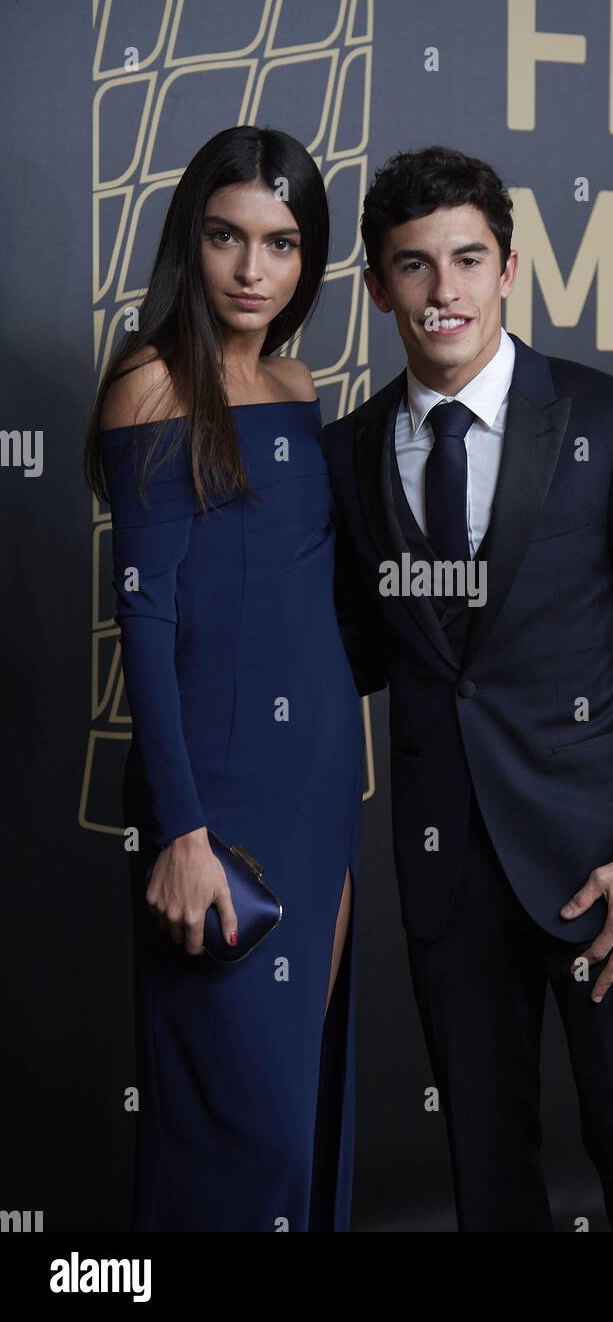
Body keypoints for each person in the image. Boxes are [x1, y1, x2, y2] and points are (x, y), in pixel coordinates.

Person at [320, 144, 613, 1232]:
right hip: (447, 867)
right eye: (413, 265)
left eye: (465, 259)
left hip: (605, 873)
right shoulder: (347, 453)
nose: (441, 291)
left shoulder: (611, 421)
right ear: (377, 287)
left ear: (507, 267)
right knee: (485, 1169)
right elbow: (357, 652)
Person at [83, 125, 364, 1232]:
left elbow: (303, 598)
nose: (254, 270)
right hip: (214, 798)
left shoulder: (297, 381)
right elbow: (142, 622)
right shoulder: (150, 383)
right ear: (188, 243)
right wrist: (183, 833)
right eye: (227, 237)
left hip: (319, 789)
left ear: (309, 258)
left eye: (283, 243)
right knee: (235, 1129)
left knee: (302, 1106)